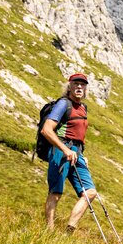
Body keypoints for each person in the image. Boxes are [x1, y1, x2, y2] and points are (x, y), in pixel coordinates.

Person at [43, 73, 97, 233]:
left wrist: (81, 154)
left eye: (82, 84)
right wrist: (65, 149)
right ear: (70, 86)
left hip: (76, 153)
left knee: (90, 192)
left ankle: (69, 231)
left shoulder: (83, 107)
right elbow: (47, 130)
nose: (79, 87)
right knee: (56, 193)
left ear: (86, 88)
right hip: (61, 151)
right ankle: (49, 232)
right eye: (76, 84)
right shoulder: (63, 104)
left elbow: (78, 133)